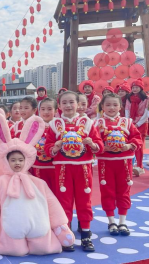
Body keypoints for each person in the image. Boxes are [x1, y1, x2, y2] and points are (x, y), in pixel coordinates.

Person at [0, 114, 74, 256]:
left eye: (20, 160)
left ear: (26, 161)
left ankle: (54, 236)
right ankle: (10, 244)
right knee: (14, 249)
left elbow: (52, 204)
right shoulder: (0, 182)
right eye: (13, 160)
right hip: (10, 230)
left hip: (38, 226)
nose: (17, 163)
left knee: (43, 247)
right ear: (6, 161)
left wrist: (59, 224)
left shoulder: (38, 182)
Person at [44, 91, 103, 252]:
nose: (68, 106)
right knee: (64, 201)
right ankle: (66, 233)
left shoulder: (87, 122)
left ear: (78, 104)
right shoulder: (54, 124)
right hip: (62, 168)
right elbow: (47, 147)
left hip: (83, 168)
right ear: (60, 105)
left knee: (85, 200)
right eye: (64, 103)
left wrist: (92, 143)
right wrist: (55, 146)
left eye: (71, 102)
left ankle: (85, 233)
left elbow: (99, 145)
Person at [94, 93, 143, 236]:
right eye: (108, 105)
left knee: (124, 191)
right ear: (102, 107)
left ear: (120, 107)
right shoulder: (98, 124)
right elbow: (94, 141)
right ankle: (111, 221)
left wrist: (129, 146)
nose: (111, 108)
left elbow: (136, 138)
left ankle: (122, 221)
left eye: (115, 105)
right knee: (107, 191)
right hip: (106, 164)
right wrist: (103, 146)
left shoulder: (127, 122)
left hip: (124, 163)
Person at [32, 97, 57, 193]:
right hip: (38, 165)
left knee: (56, 193)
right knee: (40, 193)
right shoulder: (34, 126)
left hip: (54, 166)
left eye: (49, 109)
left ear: (55, 110)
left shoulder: (58, 126)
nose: (46, 112)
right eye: (43, 109)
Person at [125, 78, 148, 177]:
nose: (134, 89)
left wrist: (138, 124)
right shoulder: (129, 98)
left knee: (140, 145)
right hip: (131, 123)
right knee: (130, 143)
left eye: (137, 87)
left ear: (141, 88)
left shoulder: (146, 99)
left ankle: (140, 166)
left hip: (142, 124)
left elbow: (146, 113)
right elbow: (127, 110)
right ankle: (131, 164)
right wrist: (129, 122)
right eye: (133, 87)